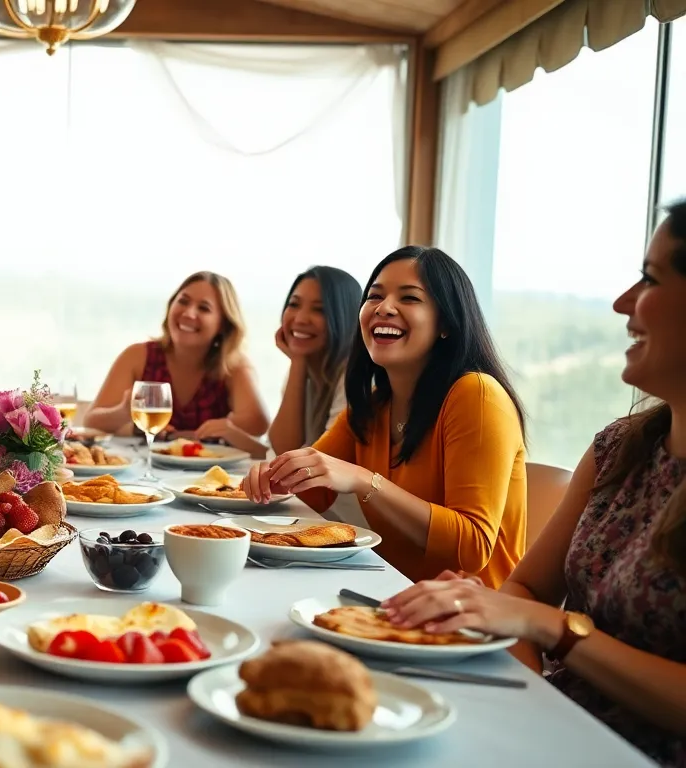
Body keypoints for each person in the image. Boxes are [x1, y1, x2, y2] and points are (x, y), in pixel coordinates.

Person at [382, 207, 686, 766]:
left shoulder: (473, 394)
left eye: (650, 279)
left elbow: (523, 604)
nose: (622, 302)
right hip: (557, 723)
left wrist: (549, 630)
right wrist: (523, 704)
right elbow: (523, 593)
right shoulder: (621, 447)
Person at [242, 246, 528, 588]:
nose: (384, 308)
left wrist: (365, 481)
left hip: (469, 617)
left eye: (409, 298)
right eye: (374, 296)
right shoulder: (375, 405)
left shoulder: (477, 395)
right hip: (391, 593)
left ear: (446, 324)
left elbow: (472, 547)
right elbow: (312, 493)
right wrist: (274, 479)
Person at [196, 266, 362, 456]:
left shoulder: (353, 375)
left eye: (319, 309)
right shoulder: (307, 370)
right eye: (294, 304)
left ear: (345, 317)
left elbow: (323, 459)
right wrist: (297, 362)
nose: (300, 318)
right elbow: (284, 450)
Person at [84, 270, 268, 437]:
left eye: (204, 308)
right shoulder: (137, 356)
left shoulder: (233, 365)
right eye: (183, 301)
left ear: (223, 325)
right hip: (147, 468)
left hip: (211, 472)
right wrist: (124, 412)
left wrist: (227, 426)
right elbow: (91, 421)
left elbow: (258, 423)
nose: (189, 313)